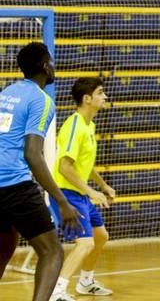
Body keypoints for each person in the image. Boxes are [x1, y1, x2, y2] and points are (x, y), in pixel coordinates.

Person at [0, 42, 80, 301]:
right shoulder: (41, 100)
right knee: (52, 251)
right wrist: (61, 201)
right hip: (14, 184)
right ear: (46, 66)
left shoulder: (6, 93)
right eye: (52, 61)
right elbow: (32, 153)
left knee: (5, 245)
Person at [49, 78, 114, 301]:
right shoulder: (74, 126)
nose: (105, 97)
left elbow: (84, 163)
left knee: (101, 236)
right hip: (66, 194)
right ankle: (56, 291)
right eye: (100, 93)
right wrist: (92, 191)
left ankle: (86, 282)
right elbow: (64, 167)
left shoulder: (89, 124)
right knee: (85, 243)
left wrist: (102, 185)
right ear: (87, 99)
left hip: (80, 193)